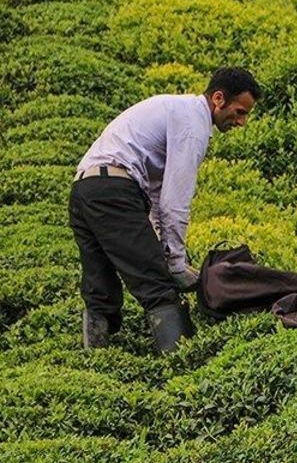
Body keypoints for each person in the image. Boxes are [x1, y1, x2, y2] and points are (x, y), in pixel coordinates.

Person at [69, 67, 261, 353]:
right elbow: (175, 203)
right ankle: (183, 365)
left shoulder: (174, 108)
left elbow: (156, 197)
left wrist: (164, 246)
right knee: (158, 287)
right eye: (240, 111)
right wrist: (176, 264)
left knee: (100, 292)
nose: (242, 121)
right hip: (114, 192)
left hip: (84, 191)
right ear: (218, 99)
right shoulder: (193, 124)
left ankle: (95, 362)